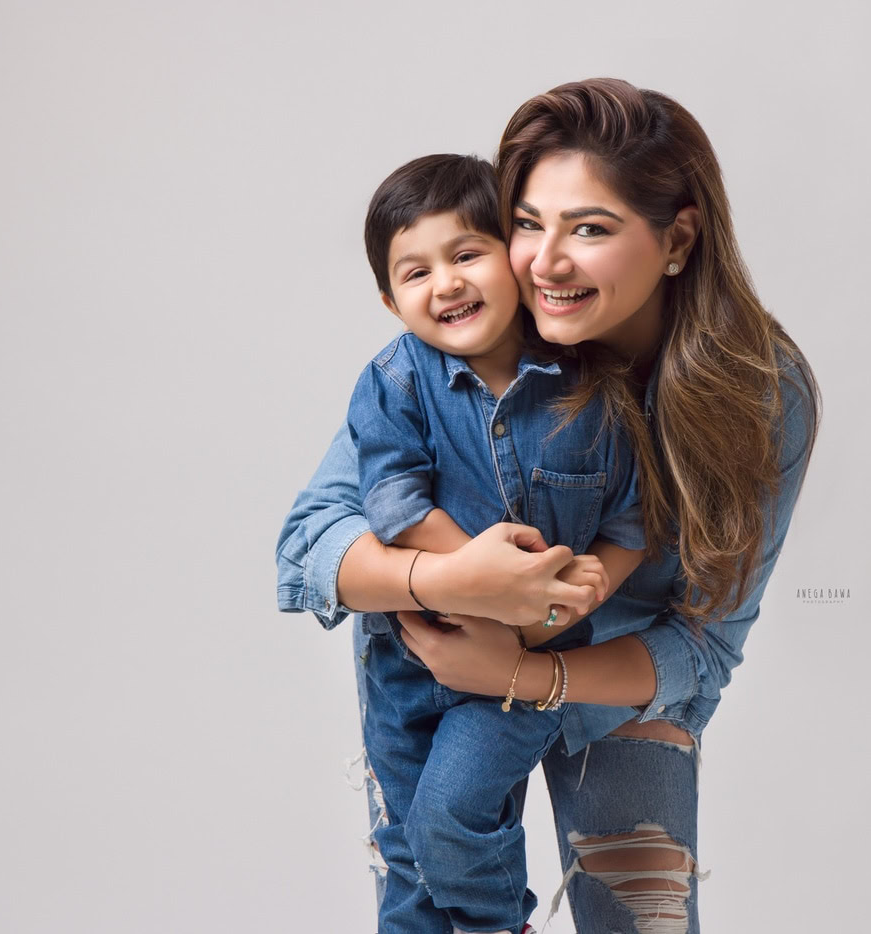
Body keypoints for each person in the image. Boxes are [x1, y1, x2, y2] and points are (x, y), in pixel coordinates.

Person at [276, 78, 821, 934]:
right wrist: (467, 585)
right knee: (432, 877)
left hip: (621, 683)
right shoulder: (463, 343)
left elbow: (705, 643)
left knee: (638, 917)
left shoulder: (757, 396)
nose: (545, 262)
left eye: (591, 230)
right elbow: (313, 545)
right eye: (527, 224)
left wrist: (526, 670)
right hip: (444, 665)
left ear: (677, 238)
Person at [325, 152, 651, 934]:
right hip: (405, 668)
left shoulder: (593, 386)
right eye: (415, 272)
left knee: (450, 817)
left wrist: (570, 594)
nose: (446, 283)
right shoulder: (394, 382)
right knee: (408, 862)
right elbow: (396, 505)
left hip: (523, 666)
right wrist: (489, 582)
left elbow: (631, 526)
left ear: (511, 255)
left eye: (467, 254)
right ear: (387, 298)